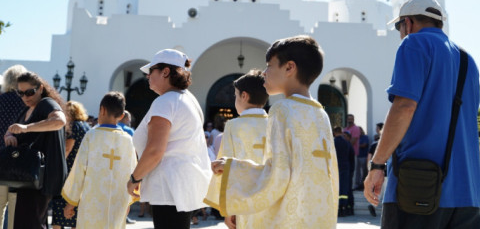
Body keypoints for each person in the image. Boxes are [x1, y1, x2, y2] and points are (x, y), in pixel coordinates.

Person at [364, 0, 480, 228]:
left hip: (418, 187)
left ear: (408, 23)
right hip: (469, 192)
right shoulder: (468, 61)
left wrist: (377, 166)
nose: (400, 33)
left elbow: (404, 107)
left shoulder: (414, 43)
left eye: (399, 27)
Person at [209, 35, 339, 228]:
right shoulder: (320, 112)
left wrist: (232, 168)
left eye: (269, 65)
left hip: (291, 218)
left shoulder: (282, 109)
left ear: (289, 68)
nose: (264, 72)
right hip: (318, 214)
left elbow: (277, 174)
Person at [127, 49, 212, 229]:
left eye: (152, 71)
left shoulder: (165, 101)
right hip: (182, 185)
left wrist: (135, 178)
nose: (148, 76)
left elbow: (155, 150)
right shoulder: (189, 100)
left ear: (165, 72)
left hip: (168, 187)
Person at [62, 92, 138, 228]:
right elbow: (133, 171)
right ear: (121, 116)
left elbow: (79, 170)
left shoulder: (91, 136)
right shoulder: (128, 140)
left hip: (93, 202)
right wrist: (128, 202)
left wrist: (71, 203)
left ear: (102, 110)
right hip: (118, 202)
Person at [205, 69, 269, 229]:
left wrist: (228, 210)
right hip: (270, 197)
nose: (235, 100)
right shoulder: (275, 123)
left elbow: (224, 169)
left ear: (244, 96)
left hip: (243, 200)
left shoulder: (234, 126)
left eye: (235, 95)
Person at [4, 71, 67, 229]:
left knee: (29, 223)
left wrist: (26, 128)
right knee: (29, 222)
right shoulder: (26, 110)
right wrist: (10, 136)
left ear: (40, 88)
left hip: (41, 176)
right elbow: (11, 130)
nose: (25, 97)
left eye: (30, 92)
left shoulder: (46, 103)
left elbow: (60, 120)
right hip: (29, 177)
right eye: (21, 93)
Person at [51, 101, 90, 229]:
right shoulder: (86, 127)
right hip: (82, 171)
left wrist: (57, 167)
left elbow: (68, 148)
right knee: (76, 212)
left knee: (59, 211)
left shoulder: (72, 126)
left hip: (68, 172)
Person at [0, 65, 27, 229]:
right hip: (20, 162)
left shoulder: (0, 100)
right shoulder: (26, 103)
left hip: (0, 158)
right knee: (15, 211)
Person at [117, 110, 136, 224]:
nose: (129, 121)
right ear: (123, 118)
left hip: (110, 165)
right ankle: (125, 216)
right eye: (128, 119)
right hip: (125, 165)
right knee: (125, 191)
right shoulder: (129, 131)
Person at [332, 127, 354, 217]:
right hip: (346, 168)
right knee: (345, 188)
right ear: (341, 132)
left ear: (334, 133)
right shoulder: (347, 143)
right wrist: (351, 169)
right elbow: (351, 157)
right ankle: (346, 208)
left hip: (335, 168)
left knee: (337, 188)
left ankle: (338, 208)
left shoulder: (332, 142)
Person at [367, 122, 384, 217]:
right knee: (383, 191)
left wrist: (369, 170)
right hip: (386, 172)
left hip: (375, 170)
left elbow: (369, 158)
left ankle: (373, 204)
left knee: (377, 191)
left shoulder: (374, 145)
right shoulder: (391, 145)